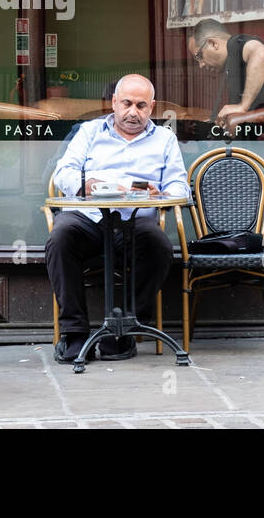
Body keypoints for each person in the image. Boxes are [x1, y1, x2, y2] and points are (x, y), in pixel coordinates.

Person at [45, 74, 188, 363]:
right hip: (89, 218)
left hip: (135, 221)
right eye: (126, 103)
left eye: (141, 106)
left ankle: (123, 330)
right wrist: (87, 184)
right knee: (61, 237)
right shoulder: (89, 131)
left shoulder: (164, 138)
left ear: (152, 107)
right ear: (113, 103)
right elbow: (63, 173)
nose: (133, 112)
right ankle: (74, 333)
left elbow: (180, 187)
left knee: (160, 247)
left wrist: (159, 192)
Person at [188, 18, 264, 125]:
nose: (201, 65)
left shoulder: (235, 44)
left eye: (199, 56)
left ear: (213, 43)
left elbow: (261, 54)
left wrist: (243, 106)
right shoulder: (240, 54)